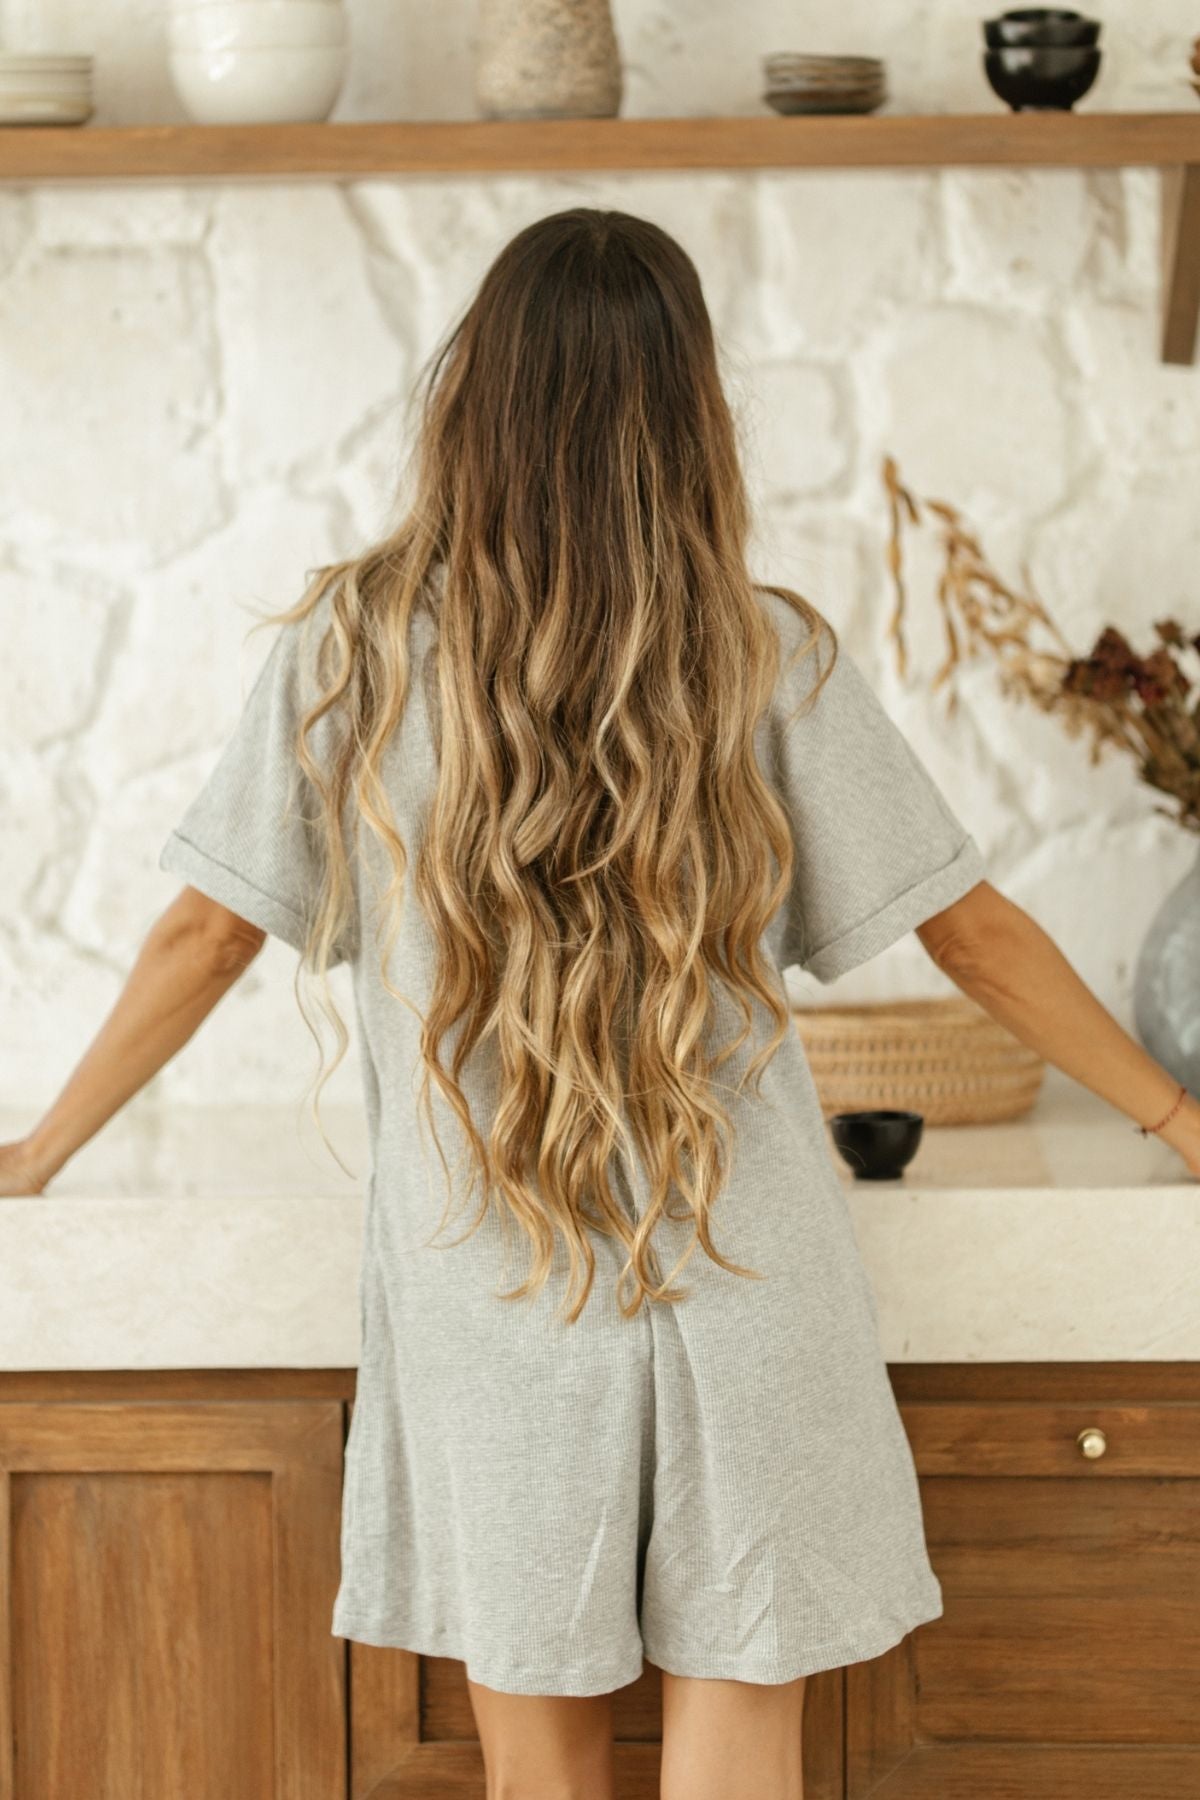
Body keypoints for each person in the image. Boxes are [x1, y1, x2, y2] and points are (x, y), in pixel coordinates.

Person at [3, 207, 1197, 1800]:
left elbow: (204, 937)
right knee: (744, 1725)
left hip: (496, 1297)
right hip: (743, 1268)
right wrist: (1178, 1116)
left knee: (542, 1761)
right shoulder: (764, 655)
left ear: (472, 400)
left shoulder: (355, 653)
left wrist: (38, 1153)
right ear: (691, 412)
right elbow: (971, 932)